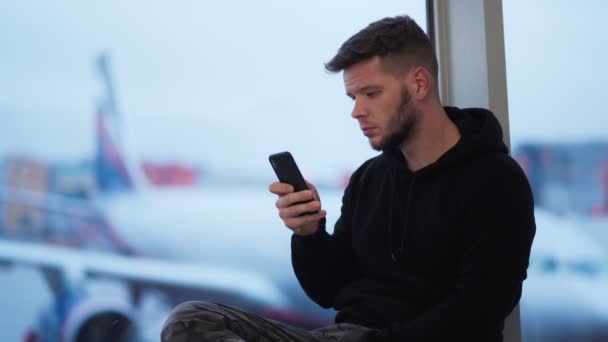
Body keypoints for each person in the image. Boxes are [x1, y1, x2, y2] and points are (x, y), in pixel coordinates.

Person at [161, 15, 536, 342]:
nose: (357, 112)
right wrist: (309, 234)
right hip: (344, 335)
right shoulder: (370, 178)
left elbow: (479, 310)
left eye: (371, 93)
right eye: (352, 97)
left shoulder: (496, 182)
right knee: (191, 320)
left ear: (419, 85)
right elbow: (330, 289)